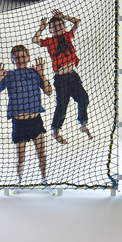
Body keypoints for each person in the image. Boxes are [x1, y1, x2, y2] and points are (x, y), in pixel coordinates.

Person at [0, 45, 52, 190]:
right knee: (20, 157)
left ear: (28, 57)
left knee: (41, 154)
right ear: (12, 60)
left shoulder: (34, 73)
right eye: (17, 57)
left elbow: (49, 92)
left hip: (35, 121)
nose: (20, 60)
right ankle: (19, 181)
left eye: (23, 56)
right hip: (19, 123)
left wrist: (42, 74)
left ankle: (44, 180)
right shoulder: (9, 75)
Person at [32, 9, 92, 144]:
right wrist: (42, 28)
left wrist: (63, 16)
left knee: (83, 99)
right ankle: (55, 131)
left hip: (73, 76)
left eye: (60, 25)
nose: (58, 28)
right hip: (61, 79)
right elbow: (35, 40)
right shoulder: (50, 41)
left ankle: (82, 124)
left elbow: (77, 22)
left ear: (64, 27)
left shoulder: (67, 36)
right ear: (50, 30)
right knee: (62, 105)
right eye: (54, 27)